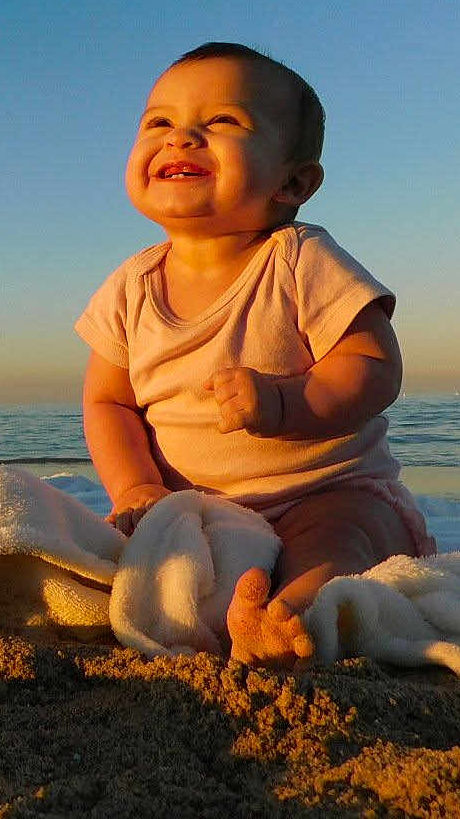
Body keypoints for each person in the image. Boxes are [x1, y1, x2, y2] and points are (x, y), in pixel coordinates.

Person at [75, 42, 436, 666]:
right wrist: (135, 487)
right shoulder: (129, 287)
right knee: (113, 557)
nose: (182, 137)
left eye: (221, 123)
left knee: (342, 540)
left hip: (323, 491)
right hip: (197, 508)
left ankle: (289, 618)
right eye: (159, 122)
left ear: (294, 181)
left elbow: (375, 366)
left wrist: (284, 401)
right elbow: (109, 401)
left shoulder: (299, 260)